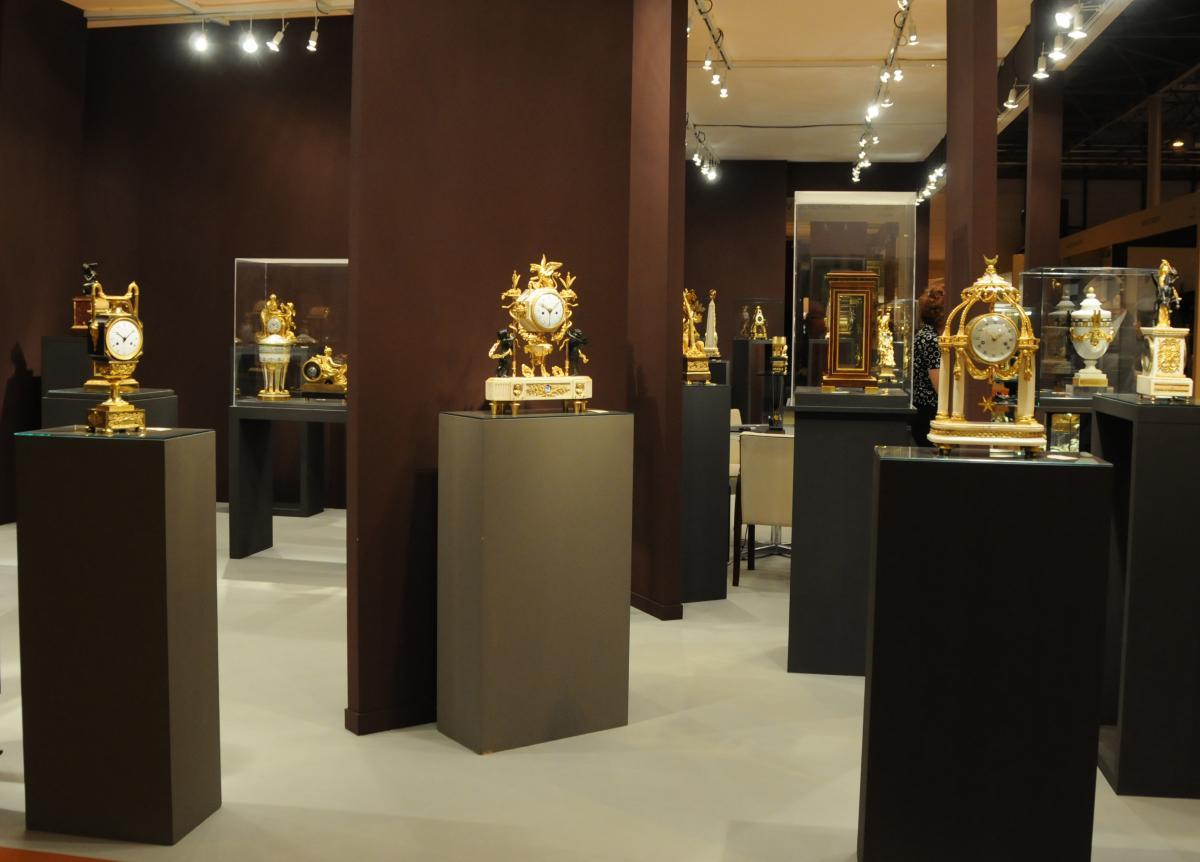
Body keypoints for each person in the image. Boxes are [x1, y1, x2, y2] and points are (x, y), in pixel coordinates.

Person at [911, 282, 945, 446]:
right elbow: (939, 385)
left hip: (923, 410)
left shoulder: (923, 335)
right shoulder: (931, 339)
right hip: (929, 412)